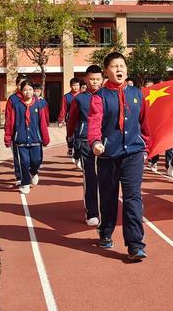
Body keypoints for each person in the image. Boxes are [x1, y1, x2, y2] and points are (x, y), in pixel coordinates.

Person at [88, 52, 150, 260]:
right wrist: (95, 142)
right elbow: (95, 122)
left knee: (133, 198)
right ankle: (105, 231)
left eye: (122, 65)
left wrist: (146, 147)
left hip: (133, 153)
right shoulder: (100, 97)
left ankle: (135, 244)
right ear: (106, 71)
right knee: (108, 198)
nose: (119, 69)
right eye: (114, 66)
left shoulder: (136, 94)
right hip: (108, 155)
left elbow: (144, 123)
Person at [67, 65, 103, 226]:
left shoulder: (108, 95)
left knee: (106, 177)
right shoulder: (79, 99)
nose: (94, 82)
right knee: (90, 177)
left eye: (97, 79)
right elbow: (72, 120)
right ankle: (92, 212)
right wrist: (70, 139)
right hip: (84, 141)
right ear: (86, 79)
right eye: (91, 79)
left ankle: (105, 208)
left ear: (102, 79)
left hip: (105, 142)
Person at [4, 80, 50, 195]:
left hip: (35, 139)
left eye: (30, 89)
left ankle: (33, 173)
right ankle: (25, 183)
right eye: (25, 90)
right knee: (24, 163)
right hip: (20, 140)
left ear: (33, 91)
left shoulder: (38, 104)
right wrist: (8, 137)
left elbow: (43, 122)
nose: (28, 92)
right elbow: (10, 122)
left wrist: (45, 138)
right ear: (21, 91)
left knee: (36, 161)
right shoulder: (16, 104)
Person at [4, 74, 28, 185]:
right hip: (16, 133)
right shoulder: (13, 99)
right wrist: (8, 135)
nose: (22, 87)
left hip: (30, 133)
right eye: (20, 84)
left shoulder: (32, 98)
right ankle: (19, 177)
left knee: (31, 158)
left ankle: (30, 173)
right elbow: (8, 118)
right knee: (18, 156)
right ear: (17, 85)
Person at [58, 77, 81, 157]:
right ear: (70, 86)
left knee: (79, 135)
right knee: (70, 135)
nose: (76, 87)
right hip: (70, 120)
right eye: (74, 85)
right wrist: (61, 120)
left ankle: (78, 152)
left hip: (80, 120)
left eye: (77, 85)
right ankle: (70, 147)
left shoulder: (82, 95)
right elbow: (63, 109)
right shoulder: (66, 97)